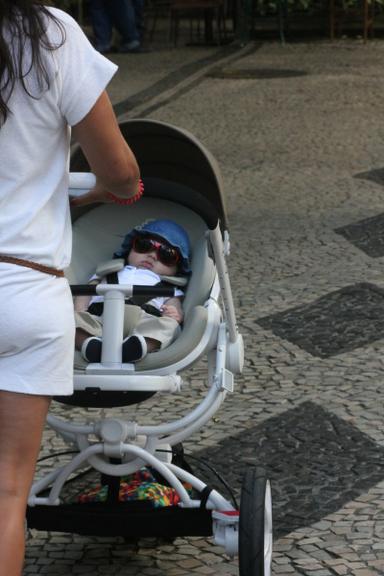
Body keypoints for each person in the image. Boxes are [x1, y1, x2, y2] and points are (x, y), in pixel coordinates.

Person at [0, 2, 141, 575]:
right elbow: (122, 173)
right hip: (24, 286)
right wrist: (99, 194)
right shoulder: (49, 34)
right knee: (8, 490)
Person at [74, 219, 191, 363]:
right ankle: (89, 345)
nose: (152, 255)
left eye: (167, 255)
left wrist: (174, 312)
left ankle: (139, 347)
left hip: (144, 321)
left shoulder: (168, 286)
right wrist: (81, 310)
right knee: (70, 320)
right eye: (144, 246)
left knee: (170, 327)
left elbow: (174, 303)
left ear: (176, 269)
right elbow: (86, 291)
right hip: (100, 316)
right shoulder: (108, 271)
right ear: (130, 248)